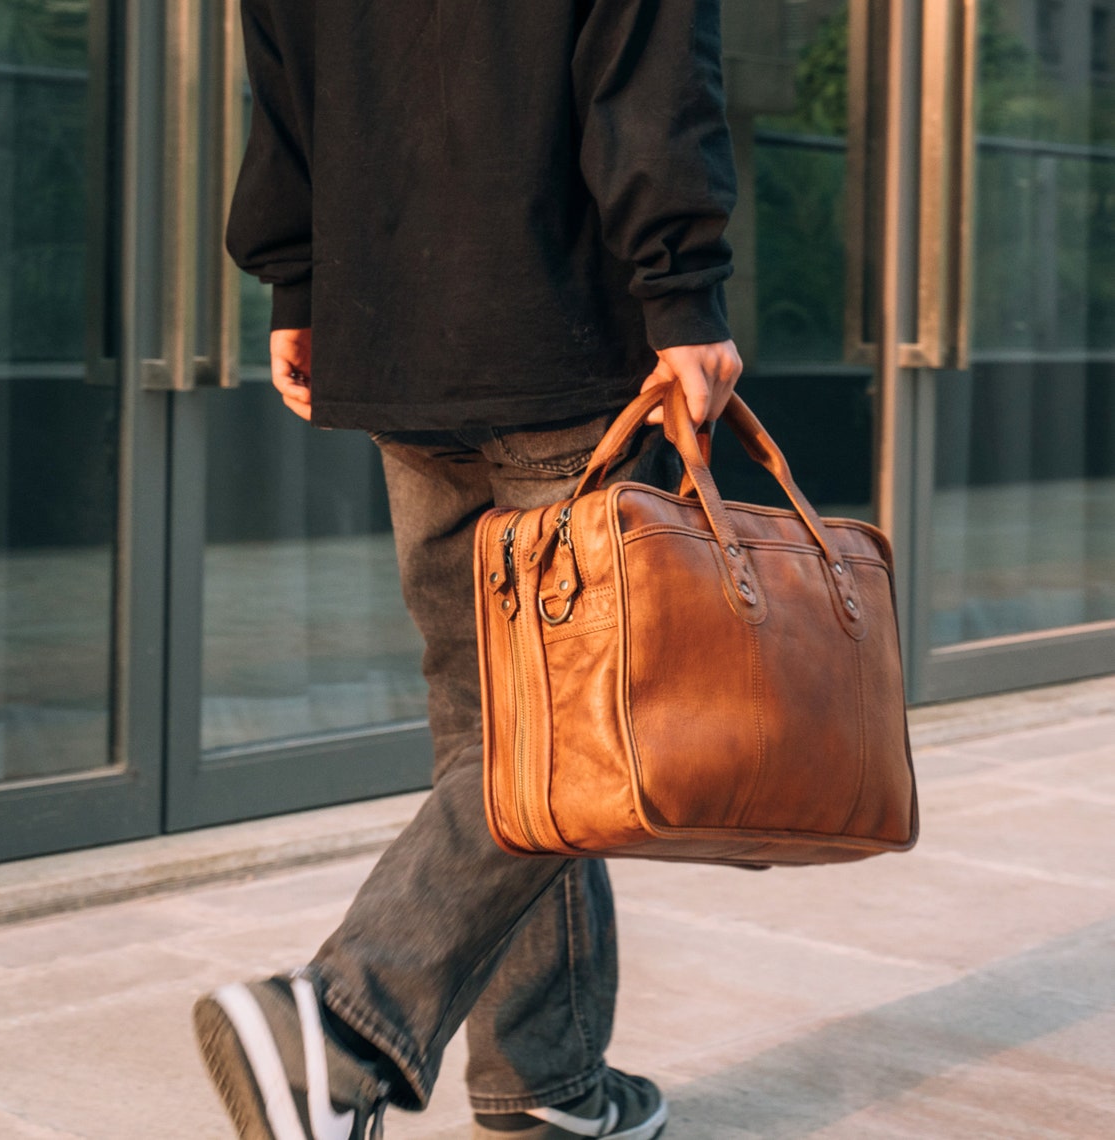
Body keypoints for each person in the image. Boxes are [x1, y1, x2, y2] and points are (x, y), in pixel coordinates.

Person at [192, 2, 743, 1137]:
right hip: (561, 346)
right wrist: (682, 290)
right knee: (569, 733)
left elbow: (283, 66)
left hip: (394, 330)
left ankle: (545, 1084)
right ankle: (341, 1021)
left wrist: (298, 282)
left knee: (492, 726)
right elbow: (647, 73)